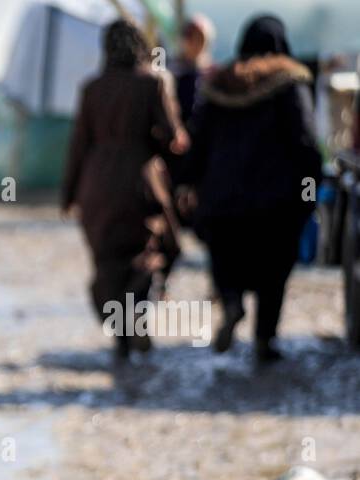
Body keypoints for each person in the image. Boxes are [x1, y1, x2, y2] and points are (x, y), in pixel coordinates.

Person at [184, 15, 321, 362]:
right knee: (273, 273)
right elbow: (305, 144)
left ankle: (230, 302)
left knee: (225, 260)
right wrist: (308, 193)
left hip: (222, 202)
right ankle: (265, 339)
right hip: (274, 205)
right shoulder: (290, 82)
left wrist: (187, 183)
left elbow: (197, 141)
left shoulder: (220, 83)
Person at [62, 19, 187, 361]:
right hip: (141, 183)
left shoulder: (91, 88)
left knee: (108, 262)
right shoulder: (152, 83)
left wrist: (68, 194)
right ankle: (138, 314)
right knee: (151, 253)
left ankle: (121, 342)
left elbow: (78, 145)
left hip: (97, 187)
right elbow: (174, 138)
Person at [173, 14, 217, 126]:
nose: (195, 43)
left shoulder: (212, 73)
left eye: (200, 39)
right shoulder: (172, 69)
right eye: (191, 37)